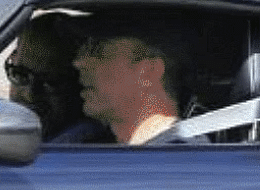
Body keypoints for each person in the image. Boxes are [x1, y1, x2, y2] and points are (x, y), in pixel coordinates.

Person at [71, 15, 196, 145]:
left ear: (150, 70)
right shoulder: (84, 140)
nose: (78, 63)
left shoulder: (175, 158)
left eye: (98, 50)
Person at [4, 13, 106, 142]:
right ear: (12, 59)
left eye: (50, 81)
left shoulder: (75, 143)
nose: (30, 94)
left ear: (81, 84)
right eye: (20, 74)